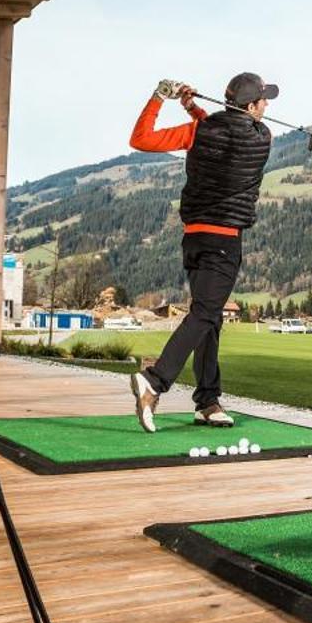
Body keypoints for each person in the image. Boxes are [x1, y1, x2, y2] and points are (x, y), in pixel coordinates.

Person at [127, 72, 278, 432]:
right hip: (225, 241)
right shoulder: (262, 137)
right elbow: (226, 132)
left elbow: (141, 139)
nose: (267, 106)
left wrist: (162, 98)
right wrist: (194, 108)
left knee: (210, 316)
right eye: (263, 100)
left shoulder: (200, 132)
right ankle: (156, 380)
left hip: (194, 239)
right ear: (252, 106)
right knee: (206, 313)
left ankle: (207, 401)